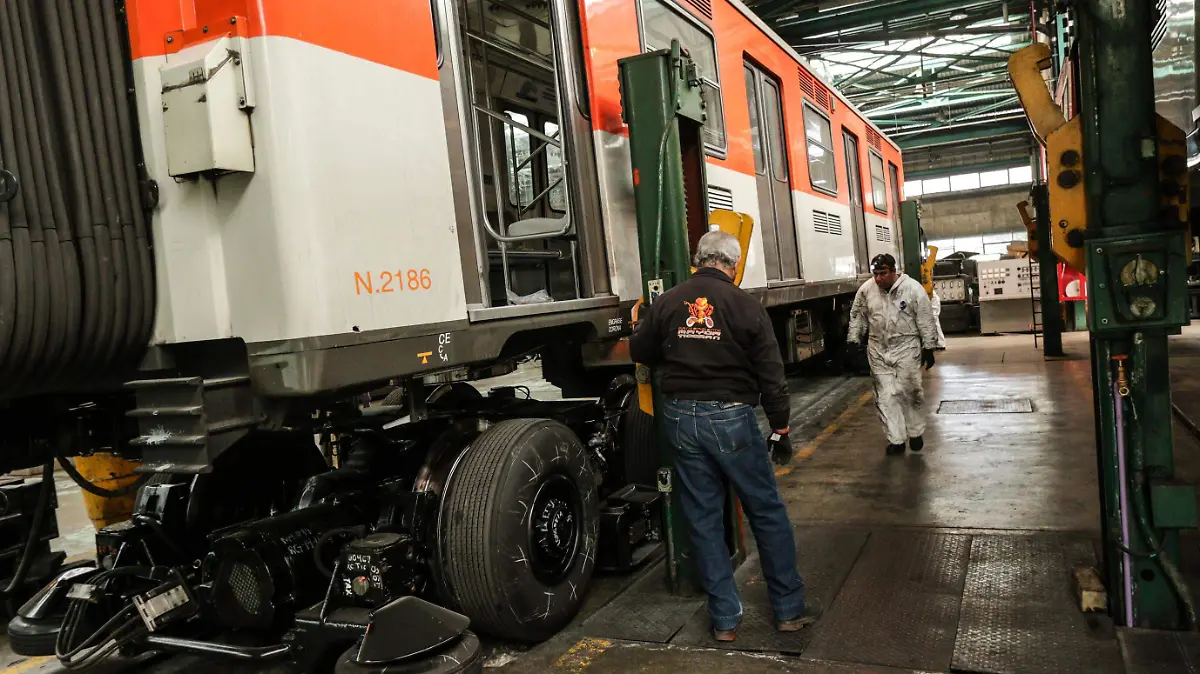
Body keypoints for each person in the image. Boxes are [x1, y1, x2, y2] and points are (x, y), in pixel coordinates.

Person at [629, 230, 820, 642]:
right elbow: (772, 375)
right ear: (734, 266)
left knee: (702, 517)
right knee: (766, 513)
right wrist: (781, 427)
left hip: (680, 417)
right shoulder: (745, 306)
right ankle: (788, 611)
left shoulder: (669, 300)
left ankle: (725, 621)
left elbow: (640, 350)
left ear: (699, 259)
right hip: (731, 418)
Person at [848, 253, 938, 456]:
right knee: (885, 397)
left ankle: (915, 433)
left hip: (907, 347)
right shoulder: (866, 291)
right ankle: (896, 439)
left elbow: (925, 317)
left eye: (883, 273)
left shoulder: (913, 289)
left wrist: (929, 346)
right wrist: (854, 341)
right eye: (875, 274)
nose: (878, 278)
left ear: (893, 271)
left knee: (910, 391)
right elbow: (858, 316)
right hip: (878, 350)